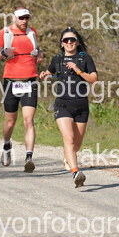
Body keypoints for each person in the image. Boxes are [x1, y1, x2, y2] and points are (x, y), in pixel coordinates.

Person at [39, 27, 98, 188]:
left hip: (81, 104)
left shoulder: (84, 58)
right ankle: (76, 173)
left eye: (72, 40)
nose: (69, 42)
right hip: (62, 104)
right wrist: (45, 74)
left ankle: (67, 157)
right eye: (66, 40)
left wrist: (78, 71)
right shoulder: (57, 59)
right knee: (69, 139)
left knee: (77, 143)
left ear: (77, 42)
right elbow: (50, 71)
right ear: (62, 43)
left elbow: (93, 78)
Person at [0, 7, 44, 172]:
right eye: (21, 18)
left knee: (29, 121)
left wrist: (40, 55)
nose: (24, 21)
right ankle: (7, 145)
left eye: (26, 18)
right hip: (11, 82)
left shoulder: (32, 32)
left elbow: (37, 49)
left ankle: (29, 158)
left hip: (30, 81)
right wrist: (3, 53)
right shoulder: (5, 33)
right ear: (14, 18)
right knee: (10, 122)